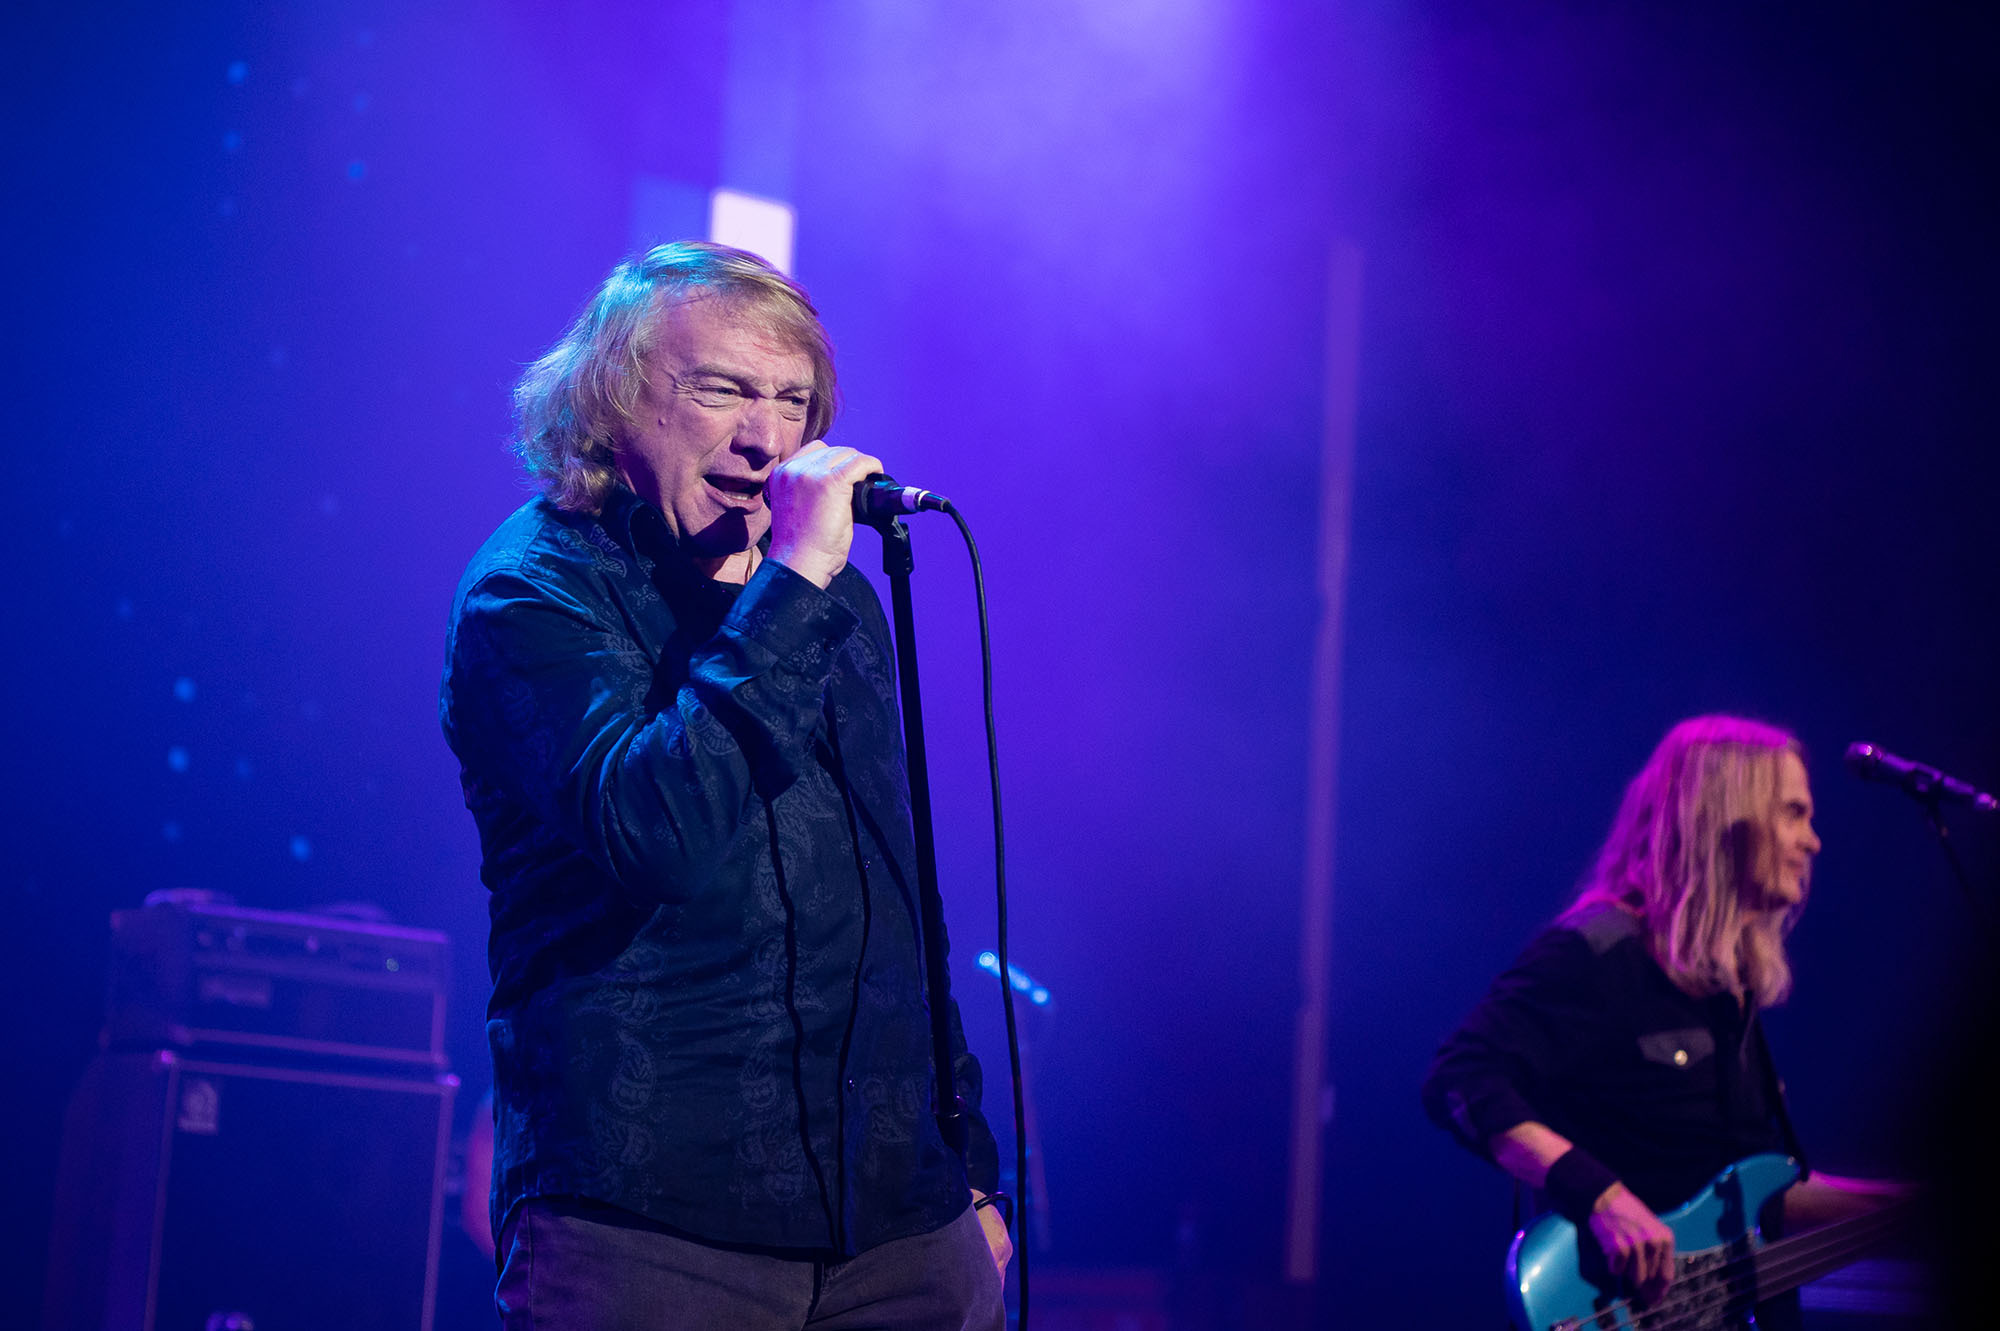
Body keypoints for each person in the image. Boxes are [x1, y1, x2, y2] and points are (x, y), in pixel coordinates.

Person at [440, 241, 1010, 1330]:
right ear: (611, 401)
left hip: (899, 1225)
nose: (767, 438)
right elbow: (657, 830)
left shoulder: (836, 603)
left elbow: (898, 897)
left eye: (792, 402)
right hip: (655, 1226)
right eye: (721, 391)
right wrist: (791, 583)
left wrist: (968, 1166)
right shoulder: (531, 592)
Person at [1421, 716, 1908, 1318]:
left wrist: (1912, 1209)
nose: (1813, 842)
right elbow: (1460, 1077)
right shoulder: (1601, 953)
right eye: (1793, 814)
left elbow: (1750, 1193)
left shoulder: (1727, 989)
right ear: (1724, 819)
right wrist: (1600, 1196)